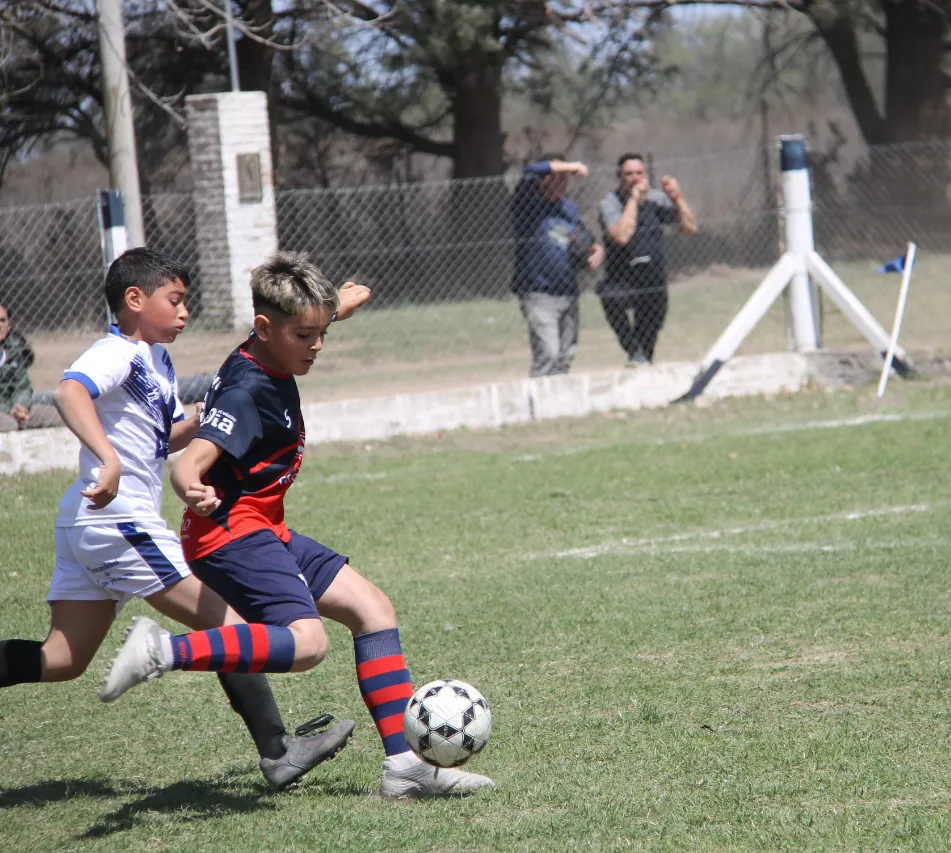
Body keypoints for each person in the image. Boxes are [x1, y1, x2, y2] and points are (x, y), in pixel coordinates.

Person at [100, 251, 494, 800]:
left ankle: (404, 768)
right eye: (305, 335)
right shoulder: (248, 391)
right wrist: (189, 480)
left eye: (322, 331)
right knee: (307, 645)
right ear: (265, 328)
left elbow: (307, 318)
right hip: (230, 535)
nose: (317, 346)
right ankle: (161, 653)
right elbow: (194, 457)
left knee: (373, 609)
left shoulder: (268, 347)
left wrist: (339, 305)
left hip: (264, 527)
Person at [0, 248, 355, 790]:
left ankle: (279, 750)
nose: (185, 311)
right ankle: (279, 750)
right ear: (135, 300)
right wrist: (108, 456)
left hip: (85, 523)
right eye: (176, 299)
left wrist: (211, 409)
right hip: (117, 517)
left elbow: (165, 437)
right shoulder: (117, 351)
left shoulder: (157, 361)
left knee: (62, 657)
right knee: (230, 625)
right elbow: (72, 392)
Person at [599, 154, 698, 367]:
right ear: (619, 177)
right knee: (609, 296)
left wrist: (677, 197)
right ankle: (634, 352)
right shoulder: (611, 203)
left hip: (652, 279)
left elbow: (690, 227)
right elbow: (622, 236)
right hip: (622, 280)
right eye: (629, 174)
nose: (635, 178)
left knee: (649, 334)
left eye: (639, 173)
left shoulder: (656, 199)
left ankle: (642, 362)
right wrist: (634, 200)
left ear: (646, 175)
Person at [510, 154, 604, 377]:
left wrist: (597, 250)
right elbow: (531, 170)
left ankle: (557, 405)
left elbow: (584, 237)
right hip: (538, 292)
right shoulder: (527, 205)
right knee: (548, 354)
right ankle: (536, 405)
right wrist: (572, 166)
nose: (560, 184)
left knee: (565, 355)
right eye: (555, 178)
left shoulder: (568, 208)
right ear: (543, 180)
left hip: (568, 291)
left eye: (564, 180)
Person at [0, 301, 61, 431]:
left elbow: (22, 387)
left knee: (61, 415)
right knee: (9, 424)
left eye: (2, 320)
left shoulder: (14, 351)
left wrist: (20, 406)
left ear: (9, 326)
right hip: (6, 413)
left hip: (13, 410)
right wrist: (8, 411)